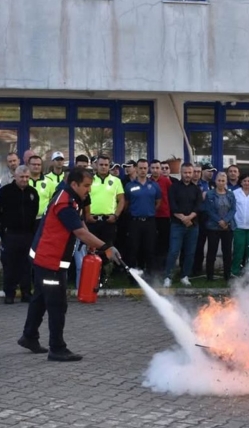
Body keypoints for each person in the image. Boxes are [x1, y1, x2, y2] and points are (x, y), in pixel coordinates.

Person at [20, 167, 122, 362]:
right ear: (74, 184)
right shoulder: (65, 203)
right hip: (50, 261)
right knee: (57, 304)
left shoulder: (71, 197)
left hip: (47, 259)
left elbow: (81, 224)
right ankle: (57, 348)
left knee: (40, 298)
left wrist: (93, 244)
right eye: (86, 186)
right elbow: (80, 232)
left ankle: (29, 336)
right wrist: (106, 247)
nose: (89, 190)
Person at [0, 165, 40, 304]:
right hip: (10, 234)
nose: (24, 180)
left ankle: (26, 293)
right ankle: (9, 294)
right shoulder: (5, 191)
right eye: (21, 177)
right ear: (15, 177)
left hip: (27, 234)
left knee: (26, 265)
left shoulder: (32, 192)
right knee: (10, 265)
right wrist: (5, 225)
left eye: (26, 177)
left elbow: (34, 211)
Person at [82, 155, 124, 287]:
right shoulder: (89, 179)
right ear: (96, 165)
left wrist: (116, 215)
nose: (104, 167)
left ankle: (104, 278)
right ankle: (92, 278)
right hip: (92, 221)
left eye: (106, 165)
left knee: (108, 249)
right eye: (101, 164)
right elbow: (84, 197)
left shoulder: (116, 181)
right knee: (91, 249)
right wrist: (87, 215)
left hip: (108, 221)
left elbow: (121, 200)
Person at [163, 163, 201, 288]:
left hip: (192, 225)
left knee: (190, 252)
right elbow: (172, 206)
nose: (188, 175)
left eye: (190, 172)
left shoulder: (196, 189)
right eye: (185, 172)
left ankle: (185, 276)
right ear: (181, 172)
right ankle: (168, 277)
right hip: (177, 225)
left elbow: (198, 206)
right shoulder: (174, 188)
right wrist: (183, 218)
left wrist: (189, 218)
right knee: (174, 251)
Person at [123, 159, 161, 280]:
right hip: (135, 222)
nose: (143, 170)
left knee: (149, 249)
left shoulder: (154, 185)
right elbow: (126, 203)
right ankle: (133, 277)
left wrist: (149, 211)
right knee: (133, 249)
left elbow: (158, 202)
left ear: (147, 169)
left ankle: (149, 276)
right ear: (136, 169)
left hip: (150, 222)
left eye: (145, 168)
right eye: (140, 168)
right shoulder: (129, 186)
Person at [203, 172, 236, 281]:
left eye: (223, 181)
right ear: (216, 181)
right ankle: (210, 276)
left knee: (227, 252)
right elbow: (209, 210)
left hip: (228, 227)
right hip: (213, 227)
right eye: (219, 180)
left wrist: (225, 221)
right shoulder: (210, 194)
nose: (221, 183)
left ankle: (227, 275)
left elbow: (233, 209)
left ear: (226, 182)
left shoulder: (231, 194)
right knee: (211, 252)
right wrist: (219, 221)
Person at [150, 160, 173, 275]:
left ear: (160, 169)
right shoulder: (147, 182)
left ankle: (163, 268)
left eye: (157, 168)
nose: (155, 170)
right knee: (152, 242)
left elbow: (171, 197)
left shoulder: (166, 181)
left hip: (164, 216)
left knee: (164, 243)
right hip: (151, 217)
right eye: (153, 168)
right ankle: (152, 268)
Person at [27, 155, 55, 221]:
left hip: (43, 219)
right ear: (28, 165)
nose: (36, 166)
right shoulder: (24, 181)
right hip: (26, 219)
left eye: (38, 165)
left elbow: (53, 201)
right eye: (34, 164)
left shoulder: (49, 182)